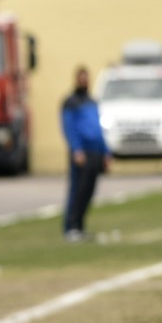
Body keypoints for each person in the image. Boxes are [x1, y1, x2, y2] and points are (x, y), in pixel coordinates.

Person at [60, 66, 110, 242]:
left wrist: (106, 151)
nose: (84, 81)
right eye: (82, 77)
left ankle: (80, 226)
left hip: (96, 151)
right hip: (82, 152)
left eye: (86, 77)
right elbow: (69, 128)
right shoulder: (71, 102)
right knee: (78, 190)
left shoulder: (92, 101)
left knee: (89, 191)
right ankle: (70, 226)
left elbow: (98, 128)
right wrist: (76, 149)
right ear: (76, 79)